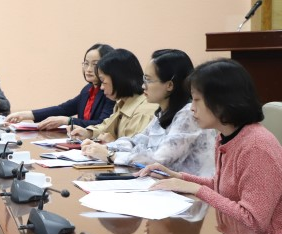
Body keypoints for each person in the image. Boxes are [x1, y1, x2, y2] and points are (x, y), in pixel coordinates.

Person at [141, 59, 282, 234]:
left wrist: (198, 189)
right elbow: (223, 187)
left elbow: (253, 222)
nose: (192, 108)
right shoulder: (225, 136)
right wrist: (178, 177)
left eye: (197, 100)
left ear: (221, 101)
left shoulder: (256, 147)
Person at [81, 49, 216, 175]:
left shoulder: (188, 115)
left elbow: (158, 161)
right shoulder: (163, 112)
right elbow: (137, 141)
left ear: (169, 85)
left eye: (148, 80)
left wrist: (111, 155)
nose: (143, 85)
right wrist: (104, 148)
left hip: (189, 190)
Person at [6, 43, 116, 129]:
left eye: (95, 65)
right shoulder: (87, 89)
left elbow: (102, 124)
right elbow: (63, 109)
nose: (88, 69)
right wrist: (25, 115)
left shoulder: (110, 92)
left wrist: (67, 121)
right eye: (86, 63)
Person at [69, 49, 158, 142]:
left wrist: (113, 144)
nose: (101, 87)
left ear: (119, 79)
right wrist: (88, 133)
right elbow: (106, 126)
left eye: (103, 81)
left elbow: (135, 148)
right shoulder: (123, 102)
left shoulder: (143, 112)